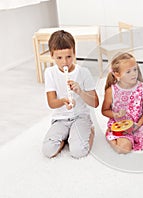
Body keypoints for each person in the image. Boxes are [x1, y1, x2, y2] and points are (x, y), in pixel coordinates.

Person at [42, 30, 99, 158]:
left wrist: (80, 92)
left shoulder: (83, 72)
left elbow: (95, 103)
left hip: (80, 117)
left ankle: (89, 130)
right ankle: (67, 137)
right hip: (60, 119)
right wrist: (63, 101)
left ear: (74, 53)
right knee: (48, 151)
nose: (64, 62)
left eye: (68, 56)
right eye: (59, 58)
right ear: (52, 55)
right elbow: (51, 103)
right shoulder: (50, 73)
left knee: (78, 152)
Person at [102, 52, 143, 154]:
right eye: (128, 72)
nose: (133, 74)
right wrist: (115, 114)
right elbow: (104, 110)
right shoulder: (111, 91)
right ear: (117, 74)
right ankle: (110, 136)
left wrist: (138, 125)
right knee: (124, 149)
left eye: (135, 69)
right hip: (120, 126)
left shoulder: (142, 88)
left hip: (140, 123)